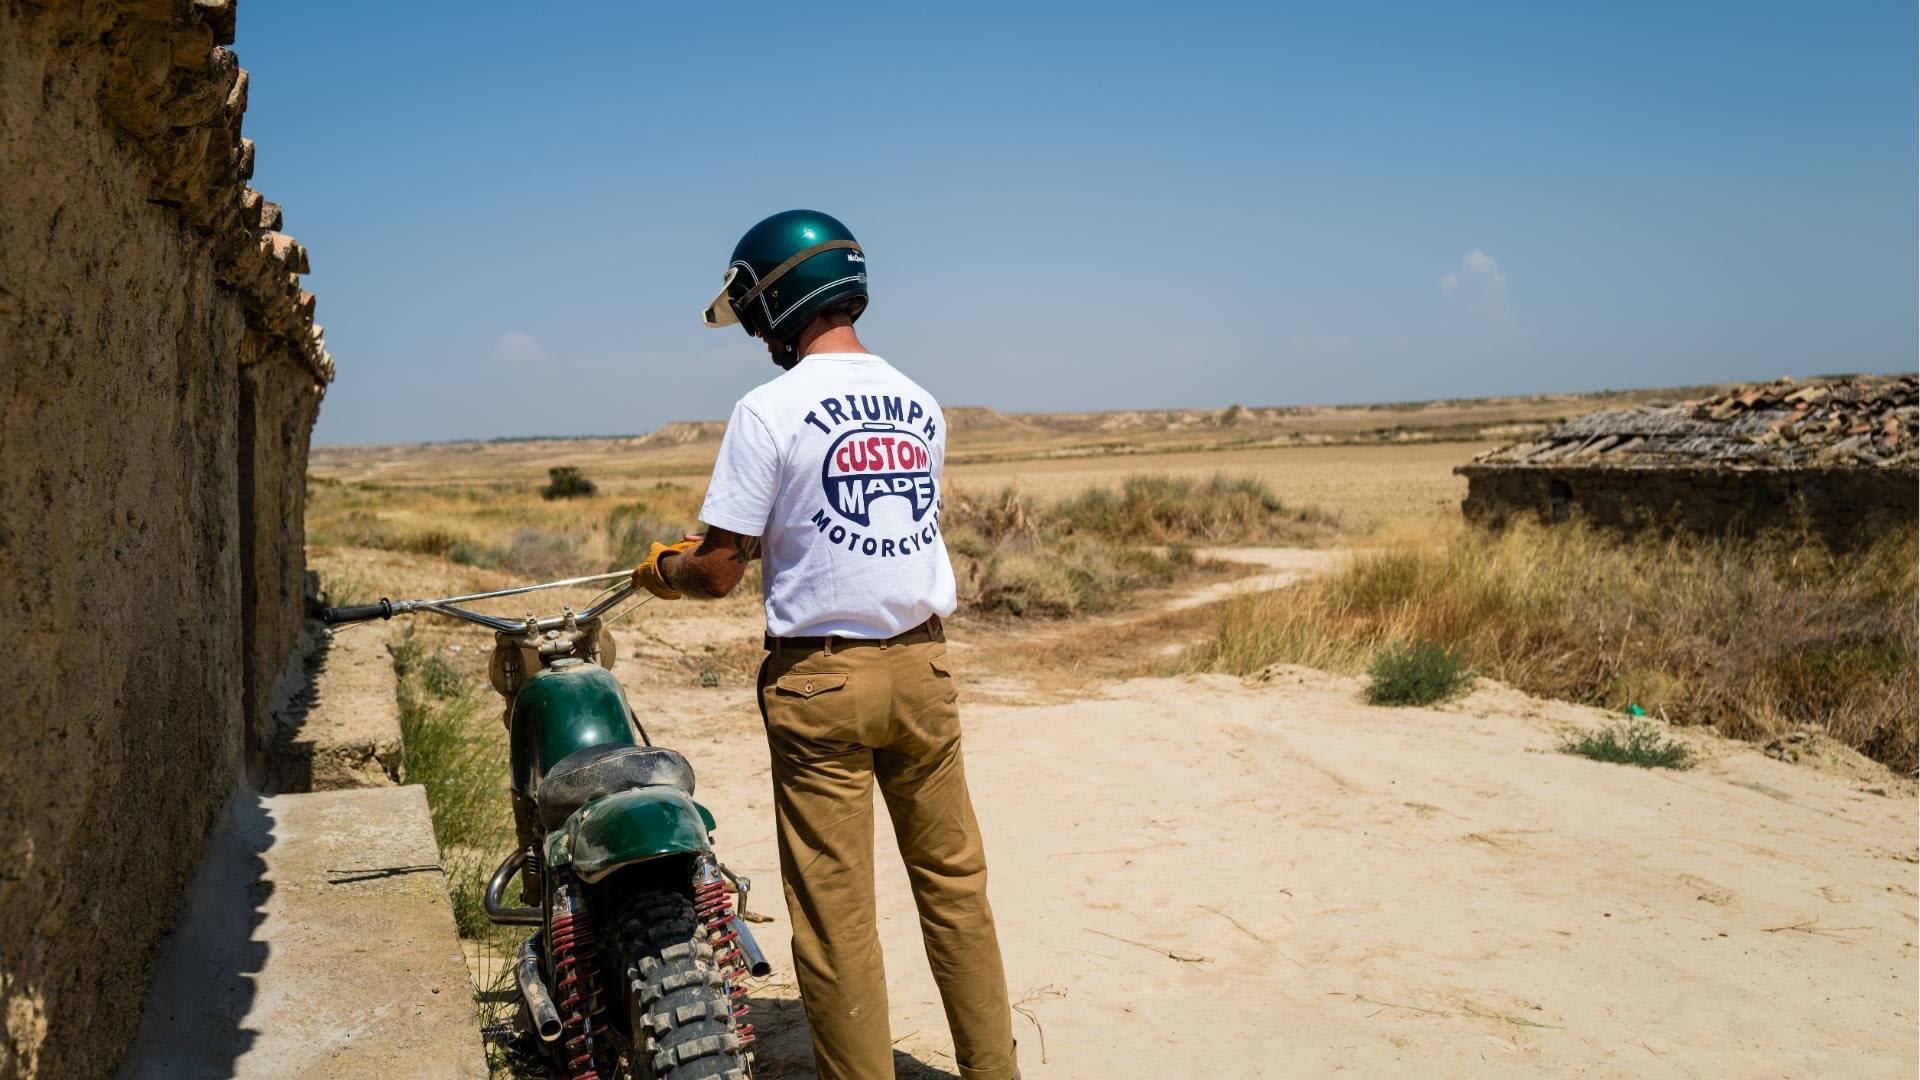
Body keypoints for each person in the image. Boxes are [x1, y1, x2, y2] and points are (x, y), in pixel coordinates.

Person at [631, 210, 1020, 1080]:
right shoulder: (919, 402)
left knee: (836, 914)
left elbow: (725, 566)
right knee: (956, 892)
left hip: (820, 686)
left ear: (776, 298)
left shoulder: (767, 409)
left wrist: (668, 572)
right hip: (924, 666)